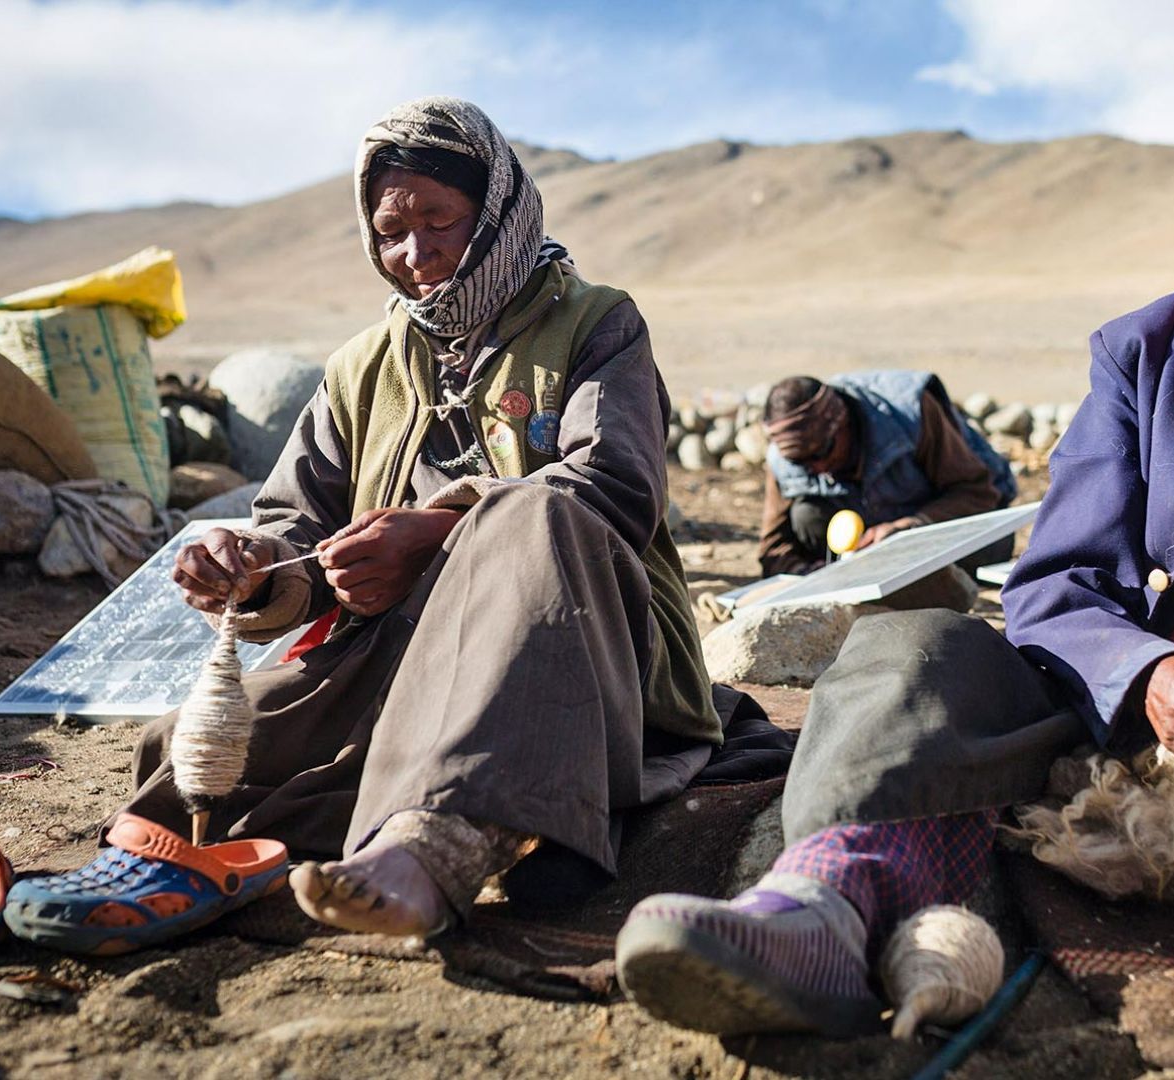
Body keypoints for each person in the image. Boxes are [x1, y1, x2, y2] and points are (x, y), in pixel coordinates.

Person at [618, 74, 1174, 1077]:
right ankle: (822, 907)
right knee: (910, 651)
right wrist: (1148, 672)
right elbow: (1057, 584)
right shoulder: (1140, 358)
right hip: (1136, 711)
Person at [38, 98, 728, 941]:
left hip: (584, 636)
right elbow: (294, 521)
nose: (416, 253)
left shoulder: (597, 323)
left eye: (441, 220)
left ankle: (433, 846)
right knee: (191, 756)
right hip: (396, 650)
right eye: (390, 231)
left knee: (532, 515)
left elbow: (615, 490)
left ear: (500, 211)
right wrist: (251, 566)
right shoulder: (360, 367)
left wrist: (438, 533)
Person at [757, 371, 1017, 576]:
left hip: (927, 527)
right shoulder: (785, 456)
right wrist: (807, 573)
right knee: (807, 516)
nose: (817, 468)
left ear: (842, 422)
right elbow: (773, 549)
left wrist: (910, 526)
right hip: (863, 545)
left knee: (990, 545)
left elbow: (978, 492)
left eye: (820, 453)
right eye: (800, 462)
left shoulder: (909, 413)